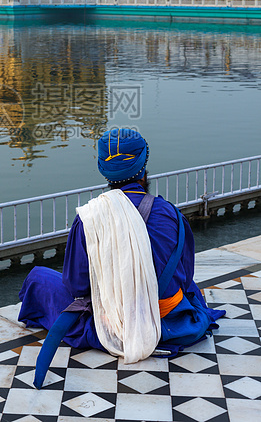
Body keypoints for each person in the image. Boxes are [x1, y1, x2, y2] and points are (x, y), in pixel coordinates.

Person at [19, 128, 225, 359]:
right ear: (143, 167)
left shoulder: (89, 217)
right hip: (166, 316)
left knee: (38, 278)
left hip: (117, 322)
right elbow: (185, 277)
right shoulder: (170, 214)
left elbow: (77, 286)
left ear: (103, 169)